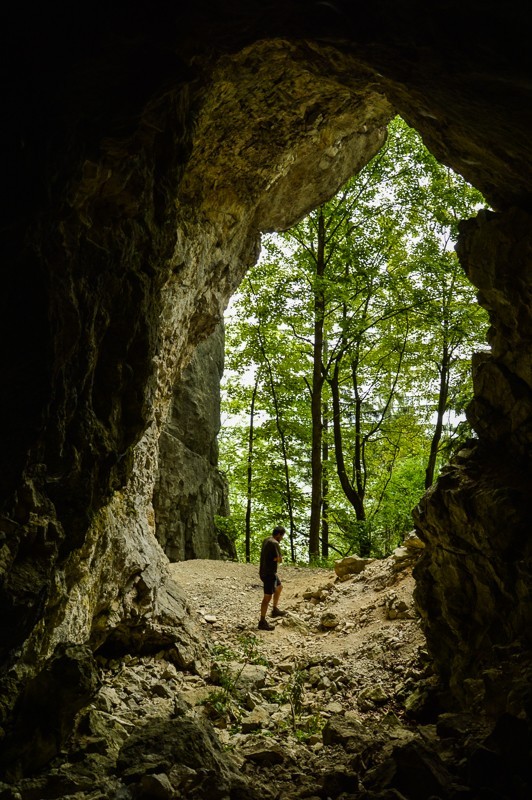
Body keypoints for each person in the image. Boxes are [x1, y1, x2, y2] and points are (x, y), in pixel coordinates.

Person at [258, 525, 287, 631]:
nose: (282, 538)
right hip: (269, 573)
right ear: (279, 534)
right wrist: (278, 558)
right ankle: (262, 621)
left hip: (265, 571)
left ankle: (275, 610)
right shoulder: (275, 543)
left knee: (279, 587)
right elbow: (279, 559)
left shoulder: (266, 540)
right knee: (267, 598)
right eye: (282, 536)